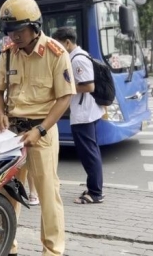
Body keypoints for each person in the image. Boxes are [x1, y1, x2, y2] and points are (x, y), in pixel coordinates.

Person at [0, 0, 76, 256]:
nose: (13, 36)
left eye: (18, 30)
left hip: (42, 133)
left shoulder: (55, 53)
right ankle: (7, 245)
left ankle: (52, 250)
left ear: (34, 25)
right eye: (9, 31)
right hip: (13, 135)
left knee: (48, 194)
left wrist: (39, 130)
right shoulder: (8, 55)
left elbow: (65, 97)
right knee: (8, 193)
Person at [52, 27, 105, 204]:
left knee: (89, 154)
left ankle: (95, 193)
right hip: (86, 112)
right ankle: (94, 188)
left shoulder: (77, 60)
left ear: (67, 42)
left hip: (84, 114)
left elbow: (89, 86)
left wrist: (66, 88)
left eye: (58, 44)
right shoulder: (76, 57)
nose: (57, 48)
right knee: (92, 152)